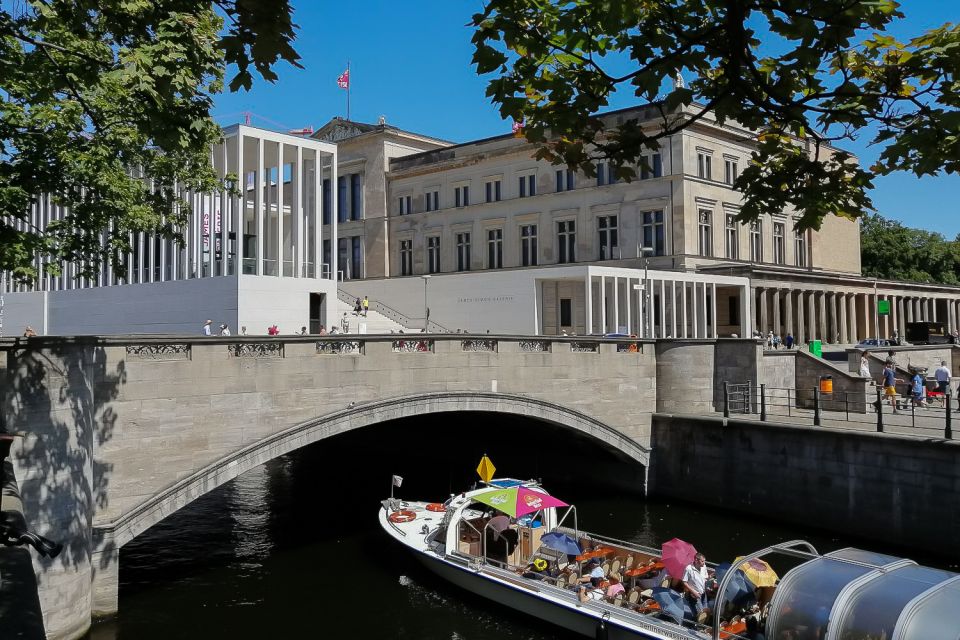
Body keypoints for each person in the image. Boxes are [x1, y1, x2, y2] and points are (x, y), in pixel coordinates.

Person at [682, 552, 713, 622]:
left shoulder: (704, 567)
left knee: (705, 611)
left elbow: (705, 578)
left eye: (704, 561)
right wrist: (693, 591)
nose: (704, 563)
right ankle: (696, 627)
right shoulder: (689, 569)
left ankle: (701, 624)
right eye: (702, 561)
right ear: (696, 560)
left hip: (703, 593)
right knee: (700, 613)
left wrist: (710, 577)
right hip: (695, 595)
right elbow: (684, 582)